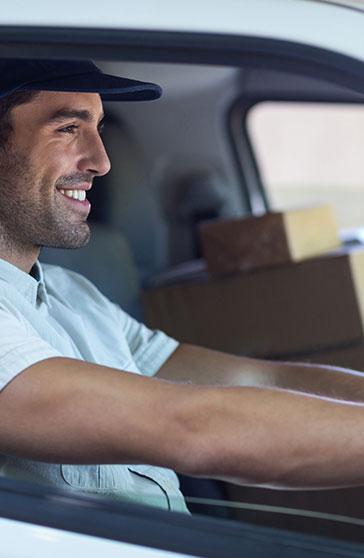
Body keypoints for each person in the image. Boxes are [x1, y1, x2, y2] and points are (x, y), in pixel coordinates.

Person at [0, 59, 364, 514]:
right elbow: (194, 428)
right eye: (68, 128)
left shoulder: (74, 294)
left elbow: (264, 379)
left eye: (98, 127)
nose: (102, 161)